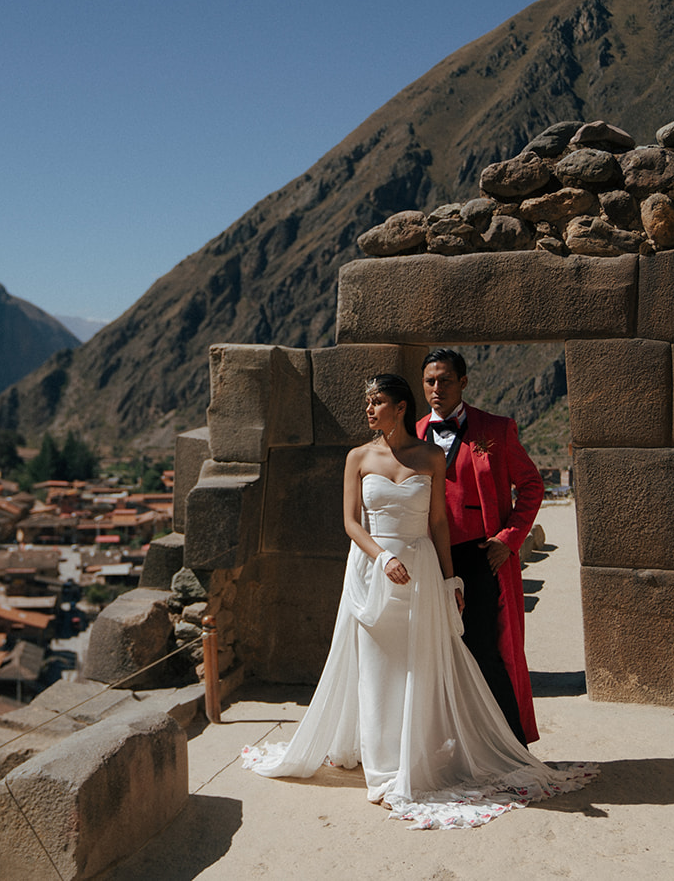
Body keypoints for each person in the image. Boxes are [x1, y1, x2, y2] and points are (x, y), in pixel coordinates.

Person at [241, 374, 594, 828]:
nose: (369, 410)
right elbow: (351, 524)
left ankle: (413, 760)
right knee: (375, 665)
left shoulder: (430, 457)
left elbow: (440, 524)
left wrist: (451, 581)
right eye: (367, 402)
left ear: (402, 407)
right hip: (372, 570)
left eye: (378, 402)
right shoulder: (358, 457)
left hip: (422, 568)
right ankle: (384, 769)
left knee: (417, 665)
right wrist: (384, 557)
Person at [418, 347, 544, 747]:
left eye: (446, 380)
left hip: (480, 557)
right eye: (430, 381)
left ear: (464, 382)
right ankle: (449, 748)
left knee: (486, 651)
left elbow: (532, 486)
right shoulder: (412, 432)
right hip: (427, 560)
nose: (438, 388)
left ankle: (510, 747)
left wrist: (508, 541)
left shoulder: (496, 428)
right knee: (433, 654)